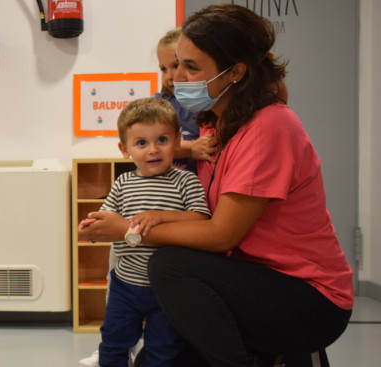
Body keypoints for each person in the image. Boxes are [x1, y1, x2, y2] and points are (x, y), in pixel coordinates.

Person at [80, 4, 353, 367]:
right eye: (176, 63)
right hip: (249, 280)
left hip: (309, 300)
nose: (176, 77)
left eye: (191, 67)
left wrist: (131, 230)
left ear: (236, 72)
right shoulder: (216, 123)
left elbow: (222, 235)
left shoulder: (267, 128)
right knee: (157, 356)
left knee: (170, 265)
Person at [82, 98, 211, 367]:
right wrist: (90, 226)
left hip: (167, 290)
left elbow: (200, 218)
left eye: (162, 140)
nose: (152, 150)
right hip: (125, 286)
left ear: (177, 141)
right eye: (141, 143)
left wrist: (161, 216)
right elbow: (106, 220)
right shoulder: (123, 183)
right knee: (114, 341)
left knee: (163, 349)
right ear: (124, 148)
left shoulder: (186, 181)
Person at [152, 27, 217, 174]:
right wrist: (190, 149)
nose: (169, 76)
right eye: (163, 69)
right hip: (158, 184)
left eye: (175, 66)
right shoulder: (158, 105)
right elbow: (149, 146)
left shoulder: (207, 103)